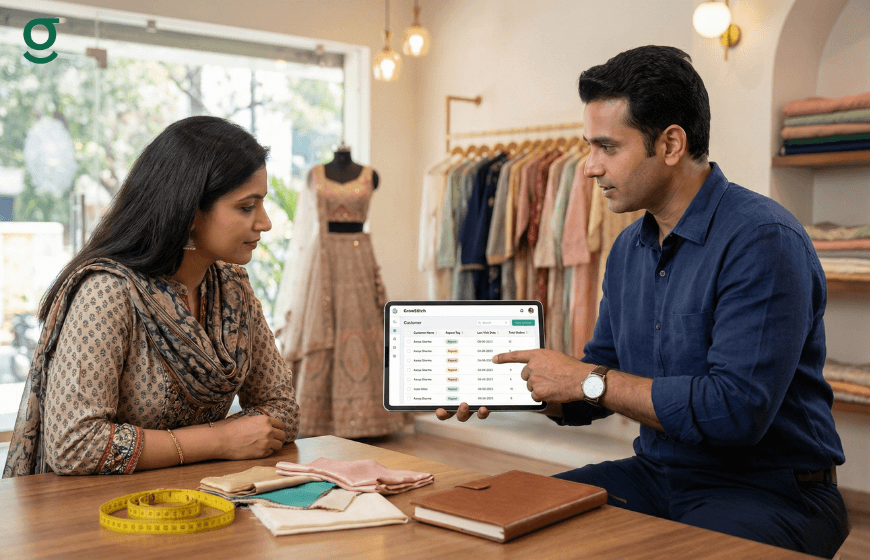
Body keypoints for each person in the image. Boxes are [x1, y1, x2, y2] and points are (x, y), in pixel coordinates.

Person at [438, 45, 848, 558]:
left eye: (607, 148)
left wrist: (587, 380)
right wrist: (521, 385)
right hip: (658, 473)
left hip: (771, 491)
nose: (589, 168)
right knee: (498, 520)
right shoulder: (628, 250)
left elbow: (734, 412)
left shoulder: (763, 239)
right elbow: (602, 374)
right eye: (589, 147)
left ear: (671, 143)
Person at [3, 116, 299, 477]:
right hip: (101, 515)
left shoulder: (231, 287)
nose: (265, 222)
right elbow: (74, 444)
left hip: (203, 499)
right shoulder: (109, 292)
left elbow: (282, 407)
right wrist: (219, 440)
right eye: (247, 206)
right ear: (191, 212)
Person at [273, 145, 409, 438]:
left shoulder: (370, 175)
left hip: (359, 256)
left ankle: (369, 420)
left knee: (362, 325)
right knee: (320, 328)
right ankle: (316, 419)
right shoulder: (314, 174)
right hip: (322, 258)